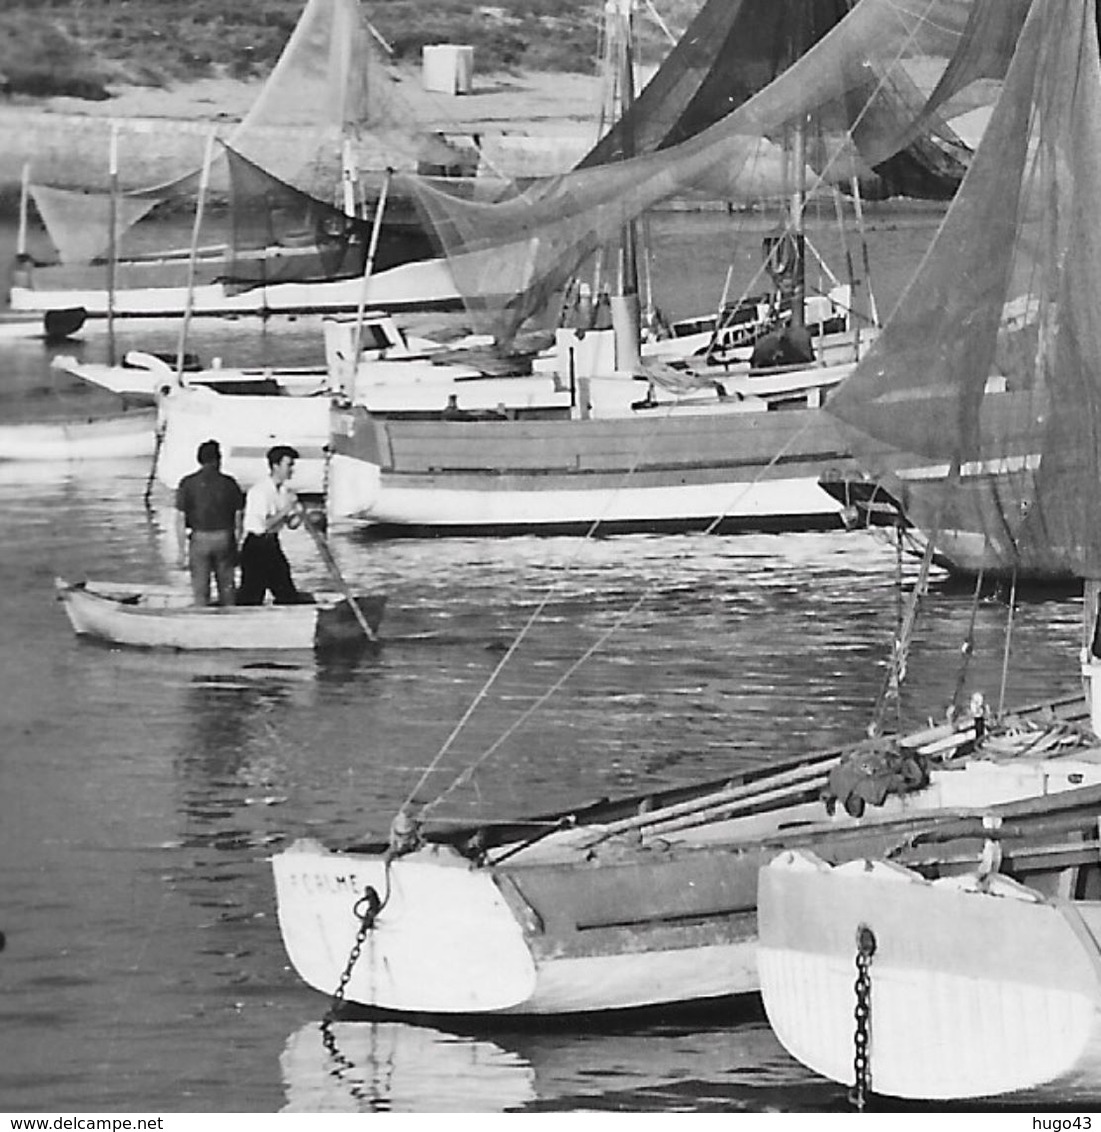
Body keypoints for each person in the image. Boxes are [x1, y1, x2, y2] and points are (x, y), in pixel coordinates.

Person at [236, 444, 314, 606]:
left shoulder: (285, 492)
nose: (291, 470)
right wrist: (287, 509)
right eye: (288, 465)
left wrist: (301, 514)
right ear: (275, 466)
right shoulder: (260, 491)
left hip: (272, 543)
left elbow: (290, 524)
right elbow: (263, 525)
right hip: (256, 545)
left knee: (285, 589)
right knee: (252, 594)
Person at [175, 439, 245, 606]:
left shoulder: (188, 483)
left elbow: (179, 519)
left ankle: (202, 618)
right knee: (227, 588)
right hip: (224, 537)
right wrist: (238, 543)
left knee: (200, 589)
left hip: (200, 539)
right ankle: (229, 617)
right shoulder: (229, 483)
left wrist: (181, 551)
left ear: (199, 459)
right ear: (218, 459)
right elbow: (239, 517)